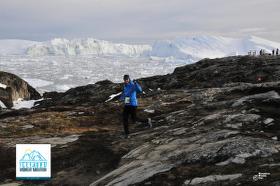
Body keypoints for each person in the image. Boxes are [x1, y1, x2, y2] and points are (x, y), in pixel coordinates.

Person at [120, 74, 143, 138]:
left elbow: (140, 90)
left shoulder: (132, 85)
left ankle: (147, 121)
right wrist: (121, 98)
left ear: (129, 79)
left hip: (133, 104)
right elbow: (124, 93)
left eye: (126, 79)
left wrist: (136, 83)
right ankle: (127, 134)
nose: (125, 81)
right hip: (127, 104)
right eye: (124, 80)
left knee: (134, 119)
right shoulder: (125, 86)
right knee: (125, 119)